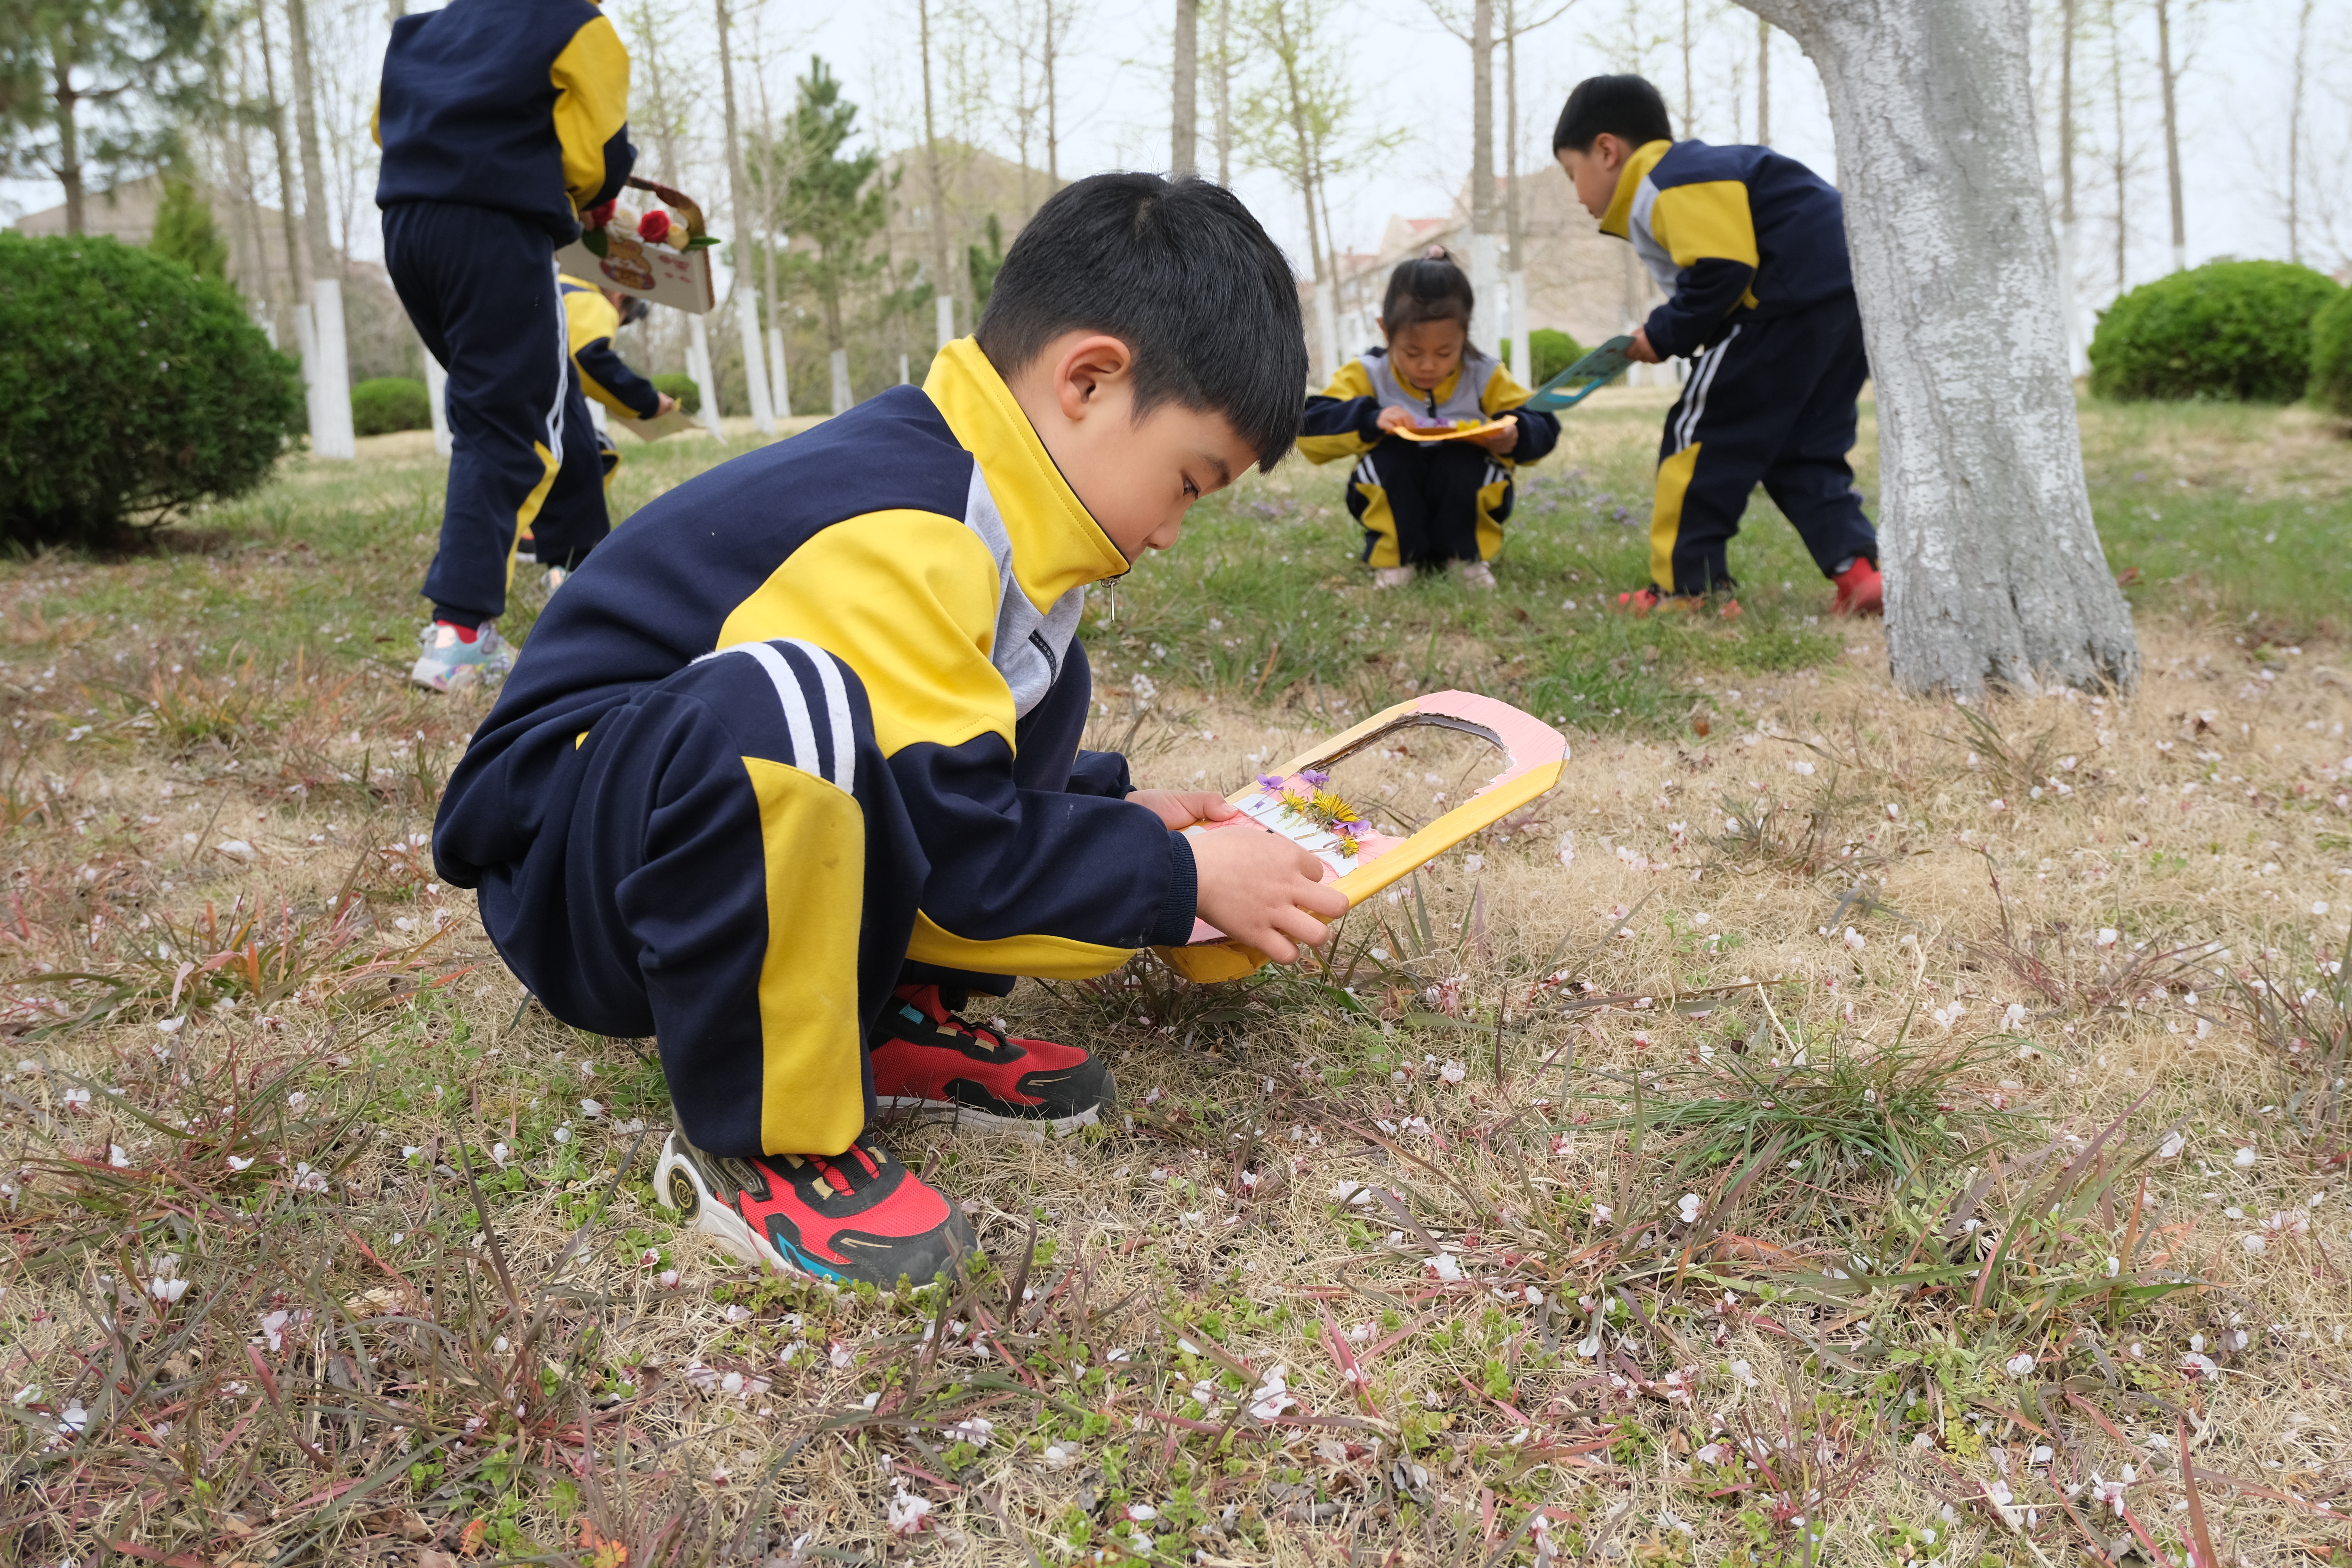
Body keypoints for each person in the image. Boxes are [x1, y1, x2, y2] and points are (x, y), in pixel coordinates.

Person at [430, 173, 1348, 1288]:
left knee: (1031, 680)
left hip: (682, 830)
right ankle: (767, 1135)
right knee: (794, 709)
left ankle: (886, 1014)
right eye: (1190, 482)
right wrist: (1177, 874)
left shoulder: (998, 532)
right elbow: (958, 846)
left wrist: (1111, 813)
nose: (1172, 531)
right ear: (1090, 381)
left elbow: (945, 765)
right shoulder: (909, 522)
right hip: (582, 865)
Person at [374, 0, 635, 692]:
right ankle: (459, 636)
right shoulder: (574, 20)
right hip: (495, 230)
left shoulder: (419, 31)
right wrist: (591, 194)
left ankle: (583, 571)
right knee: (507, 422)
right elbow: (600, 151)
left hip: (408, 229)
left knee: (544, 391)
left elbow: (386, 127)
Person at [1552, 74, 1883, 617]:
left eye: (1572, 173)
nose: (1576, 192)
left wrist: (1663, 333)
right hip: (1847, 305)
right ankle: (1860, 570)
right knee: (1804, 450)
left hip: (1777, 307)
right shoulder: (1703, 170)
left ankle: (1688, 588)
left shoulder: (1670, 177)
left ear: (1607, 151)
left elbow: (1724, 267)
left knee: (1697, 438)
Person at [1300, 247, 1559, 589]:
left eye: (1445, 353)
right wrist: (1369, 419)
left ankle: (1465, 557)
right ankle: (1398, 560)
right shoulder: (1368, 373)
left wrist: (1517, 434)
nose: (1428, 366)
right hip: (1397, 493)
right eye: (1412, 352)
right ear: (1386, 331)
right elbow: (1308, 426)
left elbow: (1542, 421)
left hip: (1465, 492)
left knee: (1466, 462)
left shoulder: (1484, 374)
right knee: (1391, 458)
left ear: (1464, 336)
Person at [520, 275, 680, 592]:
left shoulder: (554, 284)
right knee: (583, 462)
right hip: (540, 391)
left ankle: (533, 537)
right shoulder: (590, 299)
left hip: (500, 384)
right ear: (619, 296)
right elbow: (589, 359)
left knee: (585, 454)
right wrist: (648, 401)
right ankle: (573, 568)